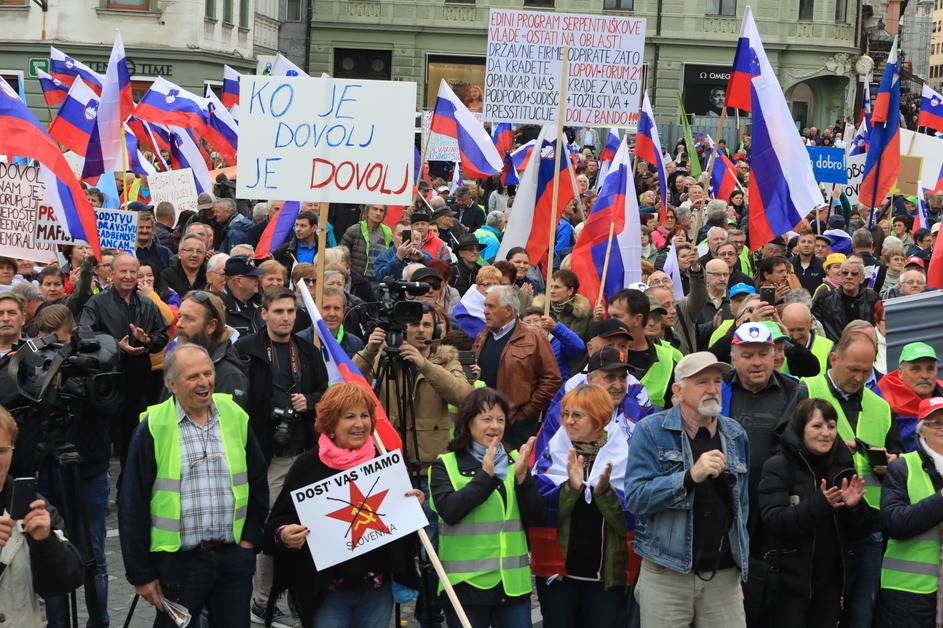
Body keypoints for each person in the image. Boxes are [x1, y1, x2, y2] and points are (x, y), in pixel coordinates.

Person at [118, 344, 268, 627]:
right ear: (171, 384)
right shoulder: (154, 426)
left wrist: (249, 540)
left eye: (208, 373)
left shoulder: (233, 415)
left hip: (232, 559)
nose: (204, 382)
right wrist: (141, 574)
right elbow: (132, 503)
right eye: (193, 376)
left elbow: (257, 480)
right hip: (180, 565)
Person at [263, 383, 422, 627]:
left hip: (376, 590)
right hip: (328, 593)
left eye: (364, 415)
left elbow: (402, 527)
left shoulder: (385, 461)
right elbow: (277, 522)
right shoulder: (308, 465)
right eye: (349, 417)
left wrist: (412, 505)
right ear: (331, 424)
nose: (360, 424)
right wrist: (284, 535)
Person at [624, 352, 750, 627]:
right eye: (702, 382)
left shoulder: (735, 434)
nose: (712, 389)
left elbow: (742, 507)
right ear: (678, 391)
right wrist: (688, 477)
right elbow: (635, 498)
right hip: (666, 573)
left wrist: (740, 567)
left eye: (717, 381)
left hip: (723, 575)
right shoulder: (650, 431)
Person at [234, 286, 328, 624]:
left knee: (306, 530)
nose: (285, 318)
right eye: (278, 311)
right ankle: (263, 600)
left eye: (290, 311)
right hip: (266, 454)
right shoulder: (246, 349)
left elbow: (325, 393)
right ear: (264, 314)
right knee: (273, 528)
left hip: (303, 452)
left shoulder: (307, 351)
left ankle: (297, 598)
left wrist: (310, 401)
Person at [801, 329, 899, 627]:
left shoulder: (881, 406)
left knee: (861, 612)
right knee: (821, 611)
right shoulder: (807, 390)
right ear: (834, 359)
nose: (859, 378)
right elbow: (787, 446)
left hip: (868, 523)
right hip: (824, 520)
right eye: (853, 369)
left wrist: (892, 463)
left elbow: (897, 451)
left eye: (866, 371)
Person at [429, 387, 543, 628]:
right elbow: (450, 511)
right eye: (487, 419)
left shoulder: (515, 460)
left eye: (500, 420)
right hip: (466, 586)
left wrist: (523, 480)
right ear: (468, 422)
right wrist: (486, 476)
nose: (495, 426)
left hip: (512, 585)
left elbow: (535, 517)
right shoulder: (445, 465)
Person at [532, 378, 638, 627]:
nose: (568, 421)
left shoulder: (624, 455)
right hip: (558, 576)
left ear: (599, 417)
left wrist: (604, 494)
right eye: (565, 414)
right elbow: (538, 514)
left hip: (606, 579)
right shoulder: (553, 451)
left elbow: (630, 523)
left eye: (577, 415)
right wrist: (571, 489)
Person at [758, 398, 871, 628]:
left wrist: (854, 508)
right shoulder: (778, 466)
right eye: (817, 426)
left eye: (831, 426)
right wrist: (820, 504)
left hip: (831, 583)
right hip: (788, 584)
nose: (826, 433)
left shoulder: (842, 466)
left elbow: (859, 532)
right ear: (800, 429)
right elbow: (774, 521)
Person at [80, 253, 169, 465]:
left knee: (133, 434)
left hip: (139, 377)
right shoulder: (97, 303)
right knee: (105, 435)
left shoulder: (147, 304)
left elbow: (162, 335)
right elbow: (84, 334)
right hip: (108, 377)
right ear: (111, 274)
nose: (128, 276)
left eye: (132, 272)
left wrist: (148, 340)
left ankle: (128, 478)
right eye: (123, 271)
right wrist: (114, 345)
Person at [0, 405, 85, 628]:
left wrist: (45, 542)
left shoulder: (31, 506)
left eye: (1, 450)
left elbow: (66, 581)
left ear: (13, 451)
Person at [875, 396, 943, 627]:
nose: (942, 428)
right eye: (936, 422)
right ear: (921, 430)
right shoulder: (902, 467)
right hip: (908, 592)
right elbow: (895, 523)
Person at [724, 322, 809, 501]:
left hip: (778, 497)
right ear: (733, 359)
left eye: (763, 354)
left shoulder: (794, 390)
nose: (757, 362)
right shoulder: (718, 389)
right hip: (730, 496)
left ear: (773, 356)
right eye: (747, 356)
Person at [472, 286, 562, 448]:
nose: (485, 311)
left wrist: (526, 412)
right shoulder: (482, 335)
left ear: (508, 310)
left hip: (516, 427)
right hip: (483, 422)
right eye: (485, 306)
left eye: (490, 306)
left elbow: (552, 379)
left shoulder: (534, 337)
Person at [172, 290, 249, 407]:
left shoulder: (228, 375)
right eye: (179, 316)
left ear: (211, 326)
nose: (179, 324)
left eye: (189, 318)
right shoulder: (178, 361)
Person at [878, 342, 943, 452]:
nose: (924, 375)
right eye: (916, 369)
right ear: (900, 373)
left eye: (930, 369)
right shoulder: (882, 402)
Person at [811, 256, 881, 342]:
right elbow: (813, 324)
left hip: (865, 347)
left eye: (854, 273)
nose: (849, 277)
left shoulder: (872, 298)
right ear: (840, 276)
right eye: (845, 273)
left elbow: (882, 325)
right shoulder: (825, 299)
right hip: (836, 348)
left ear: (862, 278)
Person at [532, 269, 592, 341]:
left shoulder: (584, 314)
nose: (552, 291)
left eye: (557, 287)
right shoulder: (539, 310)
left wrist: (597, 320)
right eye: (550, 287)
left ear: (570, 291)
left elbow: (582, 342)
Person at [338, 203, 391, 279]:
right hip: (357, 279)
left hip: (378, 280)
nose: (378, 213)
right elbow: (341, 255)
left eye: (381, 210)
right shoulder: (354, 230)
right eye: (375, 209)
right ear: (367, 212)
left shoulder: (387, 233)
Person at [781, 302, 833, 376]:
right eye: (791, 330)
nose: (795, 336)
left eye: (800, 330)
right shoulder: (777, 347)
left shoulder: (828, 348)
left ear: (811, 323)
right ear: (782, 325)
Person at [221, 255, 265, 337]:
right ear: (238, 281)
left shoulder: (260, 303)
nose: (258, 279)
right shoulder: (219, 307)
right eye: (253, 276)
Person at [320, 285, 364, 357]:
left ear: (344, 311)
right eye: (326, 308)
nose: (332, 314)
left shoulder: (356, 344)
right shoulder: (303, 341)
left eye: (336, 308)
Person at [161, 233, 208, 297]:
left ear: (204, 255)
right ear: (180, 253)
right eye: (190, 250)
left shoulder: (209, 276)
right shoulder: (167, 276)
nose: (195, 255)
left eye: (199, 251)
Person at [791, 230, 826, 295]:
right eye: (803, 242)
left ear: (814, 245)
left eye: (810, 242)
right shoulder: (789, 263)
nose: (806, 245)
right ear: (797, 244)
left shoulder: (823, 265)